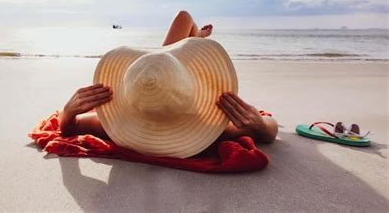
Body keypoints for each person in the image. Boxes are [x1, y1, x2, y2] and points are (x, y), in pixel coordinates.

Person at [59, 10, 278, 145]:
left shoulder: (114, 124)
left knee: (168, 50)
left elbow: (71, 127)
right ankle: (193, 42)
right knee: (184, 17)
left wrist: (68, 112)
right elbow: (270, 131)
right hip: (173, 75)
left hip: (152, 72)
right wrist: (259, 124)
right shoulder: (205, 128)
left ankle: (192, 43)